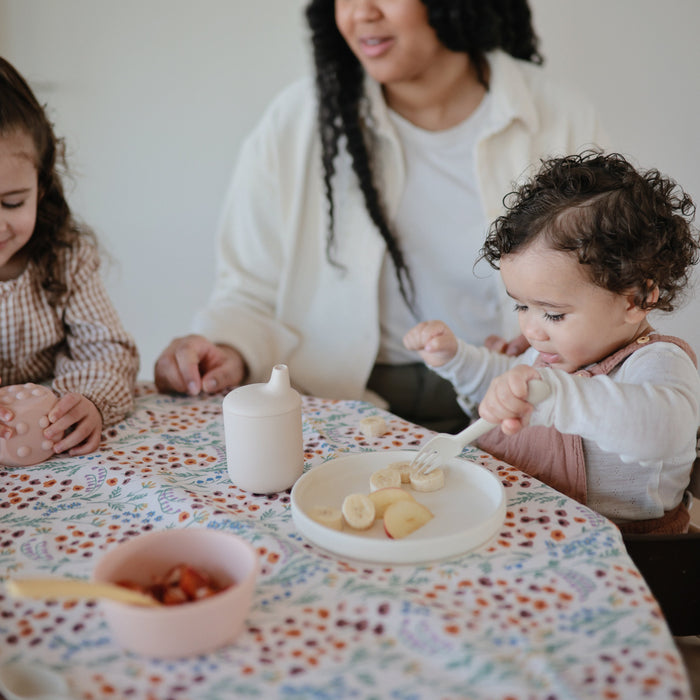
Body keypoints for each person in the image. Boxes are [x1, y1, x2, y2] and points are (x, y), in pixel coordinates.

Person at [154, 0, 605, 432]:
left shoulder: (559, 117)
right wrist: (227, 349)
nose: (360, 13)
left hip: (517, 404)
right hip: (343, 408)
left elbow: (608, 282)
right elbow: (248, 290)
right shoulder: (296, 123)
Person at [403, 151, 700, 534]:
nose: (532, 329)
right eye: (522, 306)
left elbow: (664, 433)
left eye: (554, 314)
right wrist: (457, 359)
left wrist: (555, 397)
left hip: (623, 555)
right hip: (527, 530)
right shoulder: (551, 351)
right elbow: (504, 389)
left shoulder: (656, 362)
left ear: (636, 300)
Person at [0, 56, 139, 456]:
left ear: (40, 187)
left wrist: (89, 402)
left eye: (12, 202)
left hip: (59, 457)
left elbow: (110, 352)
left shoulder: (66, 258)